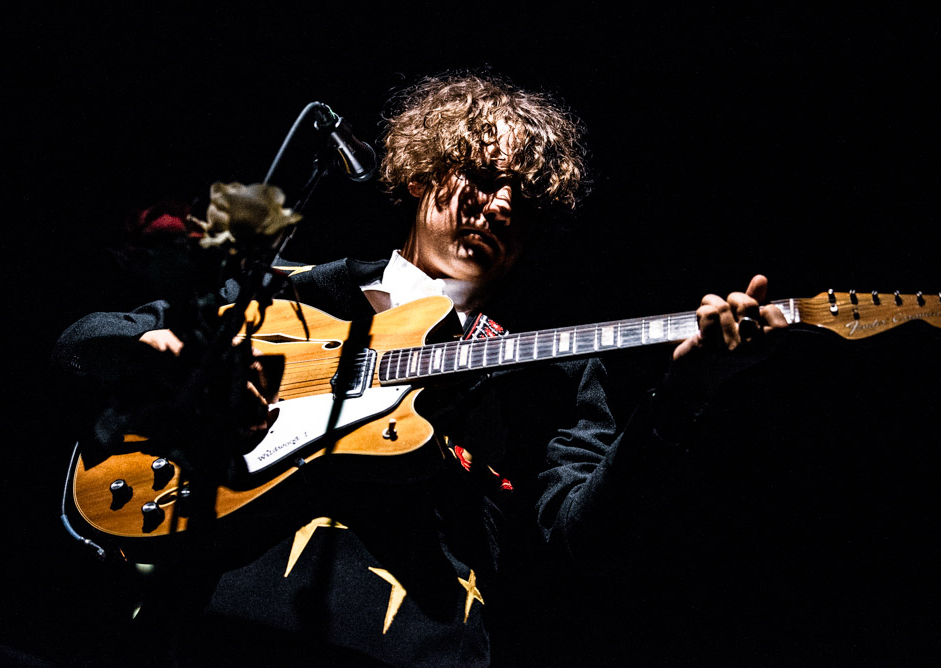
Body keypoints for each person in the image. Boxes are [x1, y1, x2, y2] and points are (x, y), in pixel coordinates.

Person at [53, 71, 789, 667]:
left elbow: (583, 537)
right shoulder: (293, 286)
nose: (499, 206)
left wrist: (681, 398)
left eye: (524, 201)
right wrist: (166, 360)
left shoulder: (553, 369)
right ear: (421, 174)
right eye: (479, 177)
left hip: (413, 645)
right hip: (213, 615)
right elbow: (89, 338)